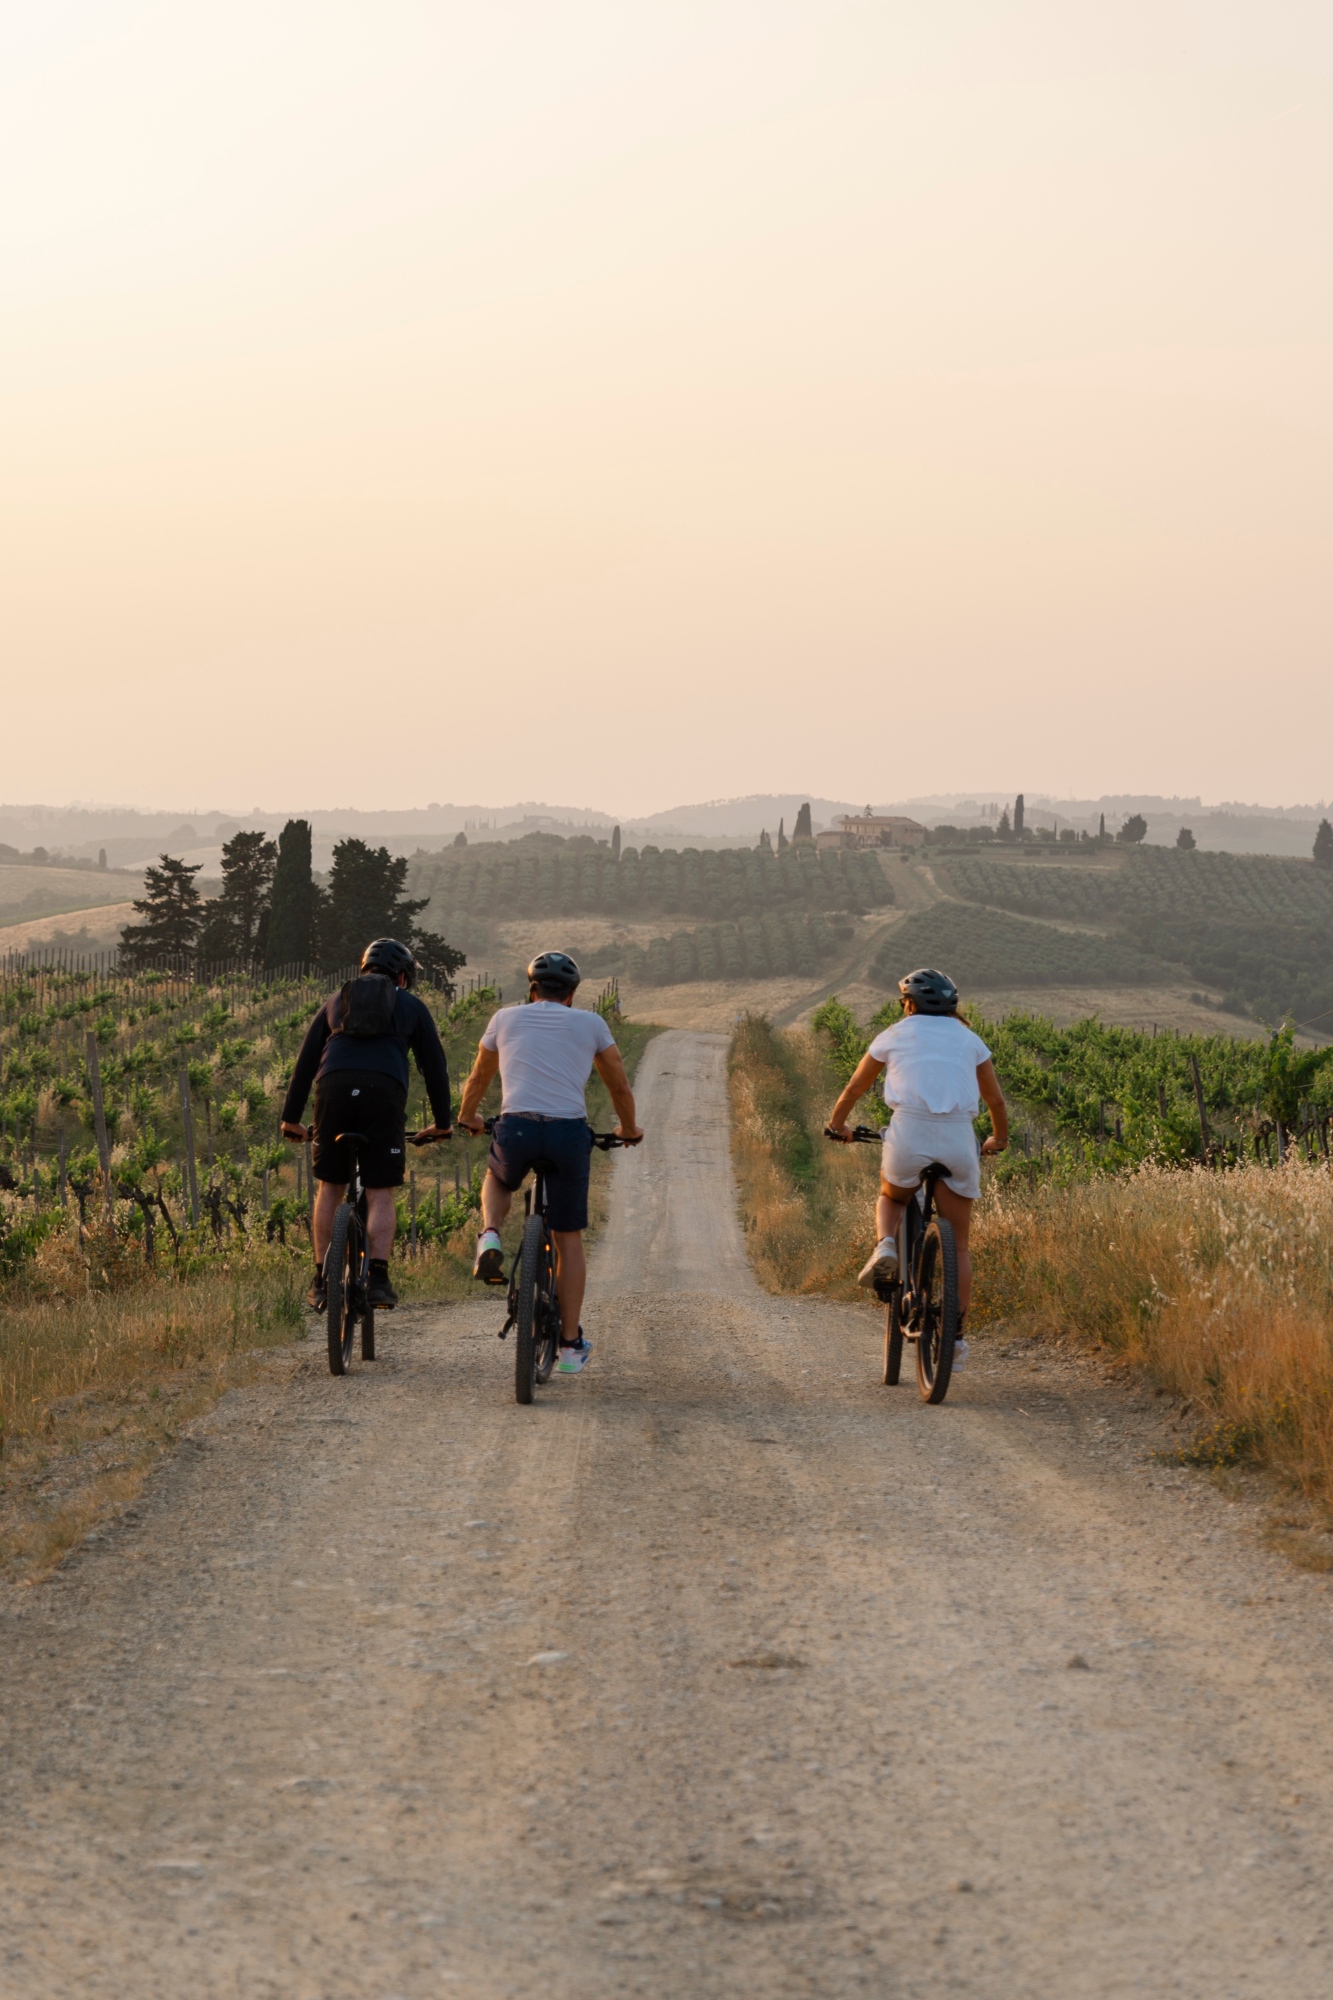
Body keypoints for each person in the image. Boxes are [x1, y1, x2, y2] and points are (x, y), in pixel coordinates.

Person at [455, 950, 643, 1375]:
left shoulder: (504, 1018)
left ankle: (489, 1236)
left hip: (517, 1127)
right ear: (573, 995)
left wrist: (468, 1118)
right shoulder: (591, 1024)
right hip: (566, 1133)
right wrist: (629, 1129)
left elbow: (479, 1077)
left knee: (499, 1179)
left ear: (531, 990)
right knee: (568, 1239)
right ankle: (571, 1344)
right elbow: (618, 1084)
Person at [825, 966, 1008, 1370]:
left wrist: (837, 1126)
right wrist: (999, 1139)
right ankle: (955, 1339)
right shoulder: (971, 1040)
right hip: (959, 1138)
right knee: (958, 1245)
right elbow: (995, 1102)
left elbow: (855, 1088)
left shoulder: (893, 1035)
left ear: (908, 1004)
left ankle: (885, 1245)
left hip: (909, 1133)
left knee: (891, 1194)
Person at [280, 938, 453, 1311]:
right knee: (380, 1191)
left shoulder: (335, 1001)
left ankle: (321, 1279)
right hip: (383, 1092)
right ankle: (377, 1278)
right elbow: (434, 1067)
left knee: (330, 1187)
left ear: (363, 970)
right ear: (402, 976)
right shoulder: (411, 1005)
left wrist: (291, 1119)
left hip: (333, 1088)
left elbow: (306, 1061)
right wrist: (442, 1123)